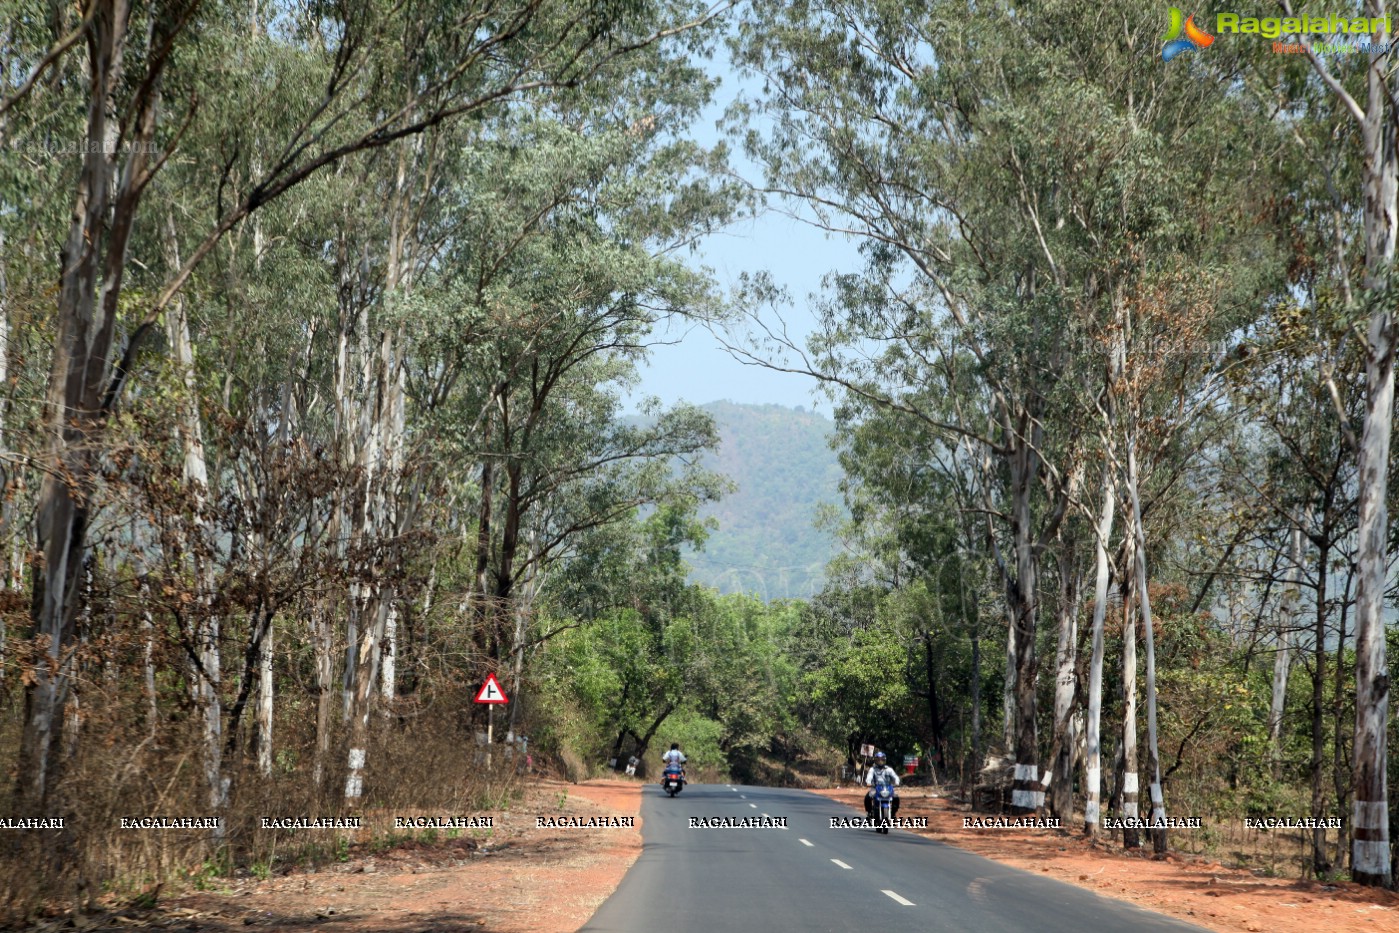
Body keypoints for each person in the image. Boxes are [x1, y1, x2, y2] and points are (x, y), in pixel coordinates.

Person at [863, 751, 901, 819]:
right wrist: (868, 782)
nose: (880, 761)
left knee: (896, 797)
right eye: (878, 760)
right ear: (875, 761)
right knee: (867, 797)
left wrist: (897, 782)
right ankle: (869, 812)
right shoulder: (872, 769)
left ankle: (893, 813)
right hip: (875, 788)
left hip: (888, 788)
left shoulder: (889, 769)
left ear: (885, 760)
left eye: (882, 760)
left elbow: (895, 777)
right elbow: (869, 777)